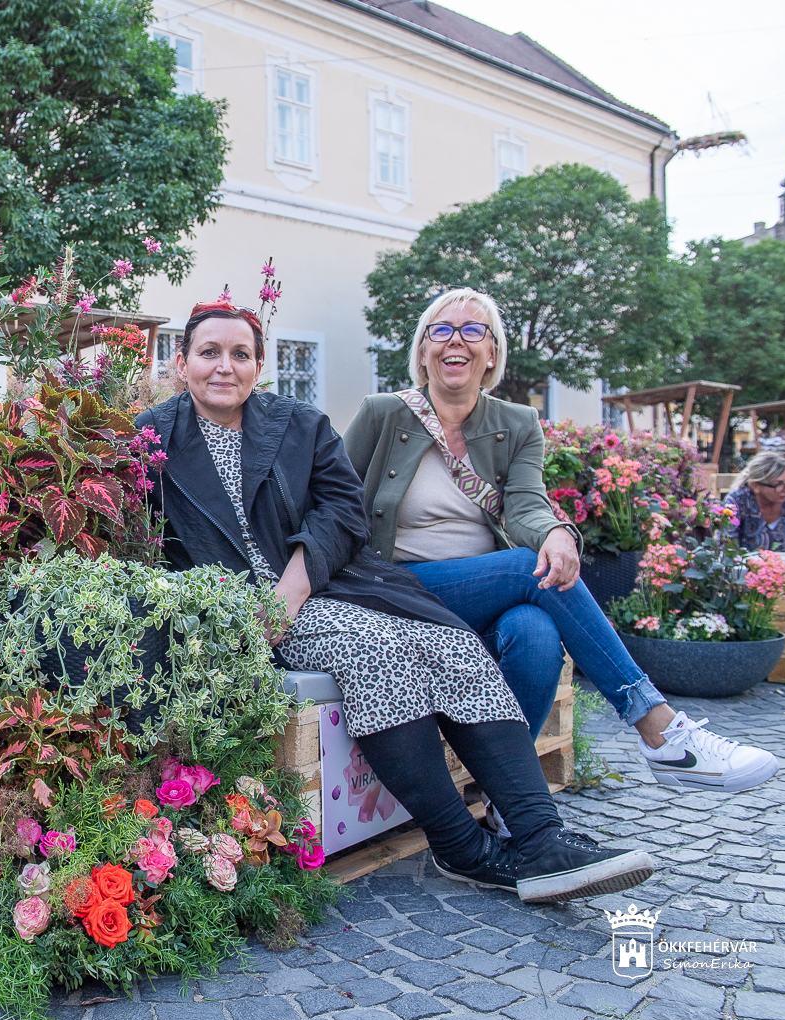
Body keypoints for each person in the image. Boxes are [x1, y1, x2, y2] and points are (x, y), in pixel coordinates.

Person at [135, 299, 653, 904]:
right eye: (209, 353)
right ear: (181, 362)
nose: (225, 367)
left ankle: (540, 837)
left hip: (319, 590)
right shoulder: (150, 437)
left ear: (259, 364)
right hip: (224, 612)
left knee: (447, 638)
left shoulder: (299, 425)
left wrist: (296, 582)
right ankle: (462, 845)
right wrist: (212, 604)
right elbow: (134, 542)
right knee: (377, 646)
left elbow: (342, 508)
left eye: (240, 354)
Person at [344, 288, 778, 798]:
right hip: (398, 590)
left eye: (472, 331)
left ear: (492, 353)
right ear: (422, 351)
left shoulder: (517, 423)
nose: (454, 341)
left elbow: (527, 503)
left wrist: (554, 531)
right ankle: (658, 728)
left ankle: (510, 798)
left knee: (536, 631)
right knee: (525, 569)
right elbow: (335, 500)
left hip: (484, 591)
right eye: (440, 330)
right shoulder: (383, 414)